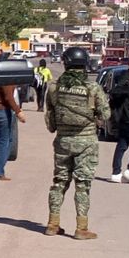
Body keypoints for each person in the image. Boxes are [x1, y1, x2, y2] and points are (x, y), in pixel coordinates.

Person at [44, 47, 111, 239]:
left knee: (59, 182)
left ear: (65, 63)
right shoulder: (93, 88)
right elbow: (105, 114)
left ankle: (52, 224)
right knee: (82, 185)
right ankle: (81, 228)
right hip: (87, 142)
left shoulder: (54, 87)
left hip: (63, 141)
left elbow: (50, 117)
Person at [0, 48, 26, 182]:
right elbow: (8, 97)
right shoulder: (6, 77)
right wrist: (18, 111)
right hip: (3, 111)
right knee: (5, 142)